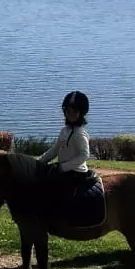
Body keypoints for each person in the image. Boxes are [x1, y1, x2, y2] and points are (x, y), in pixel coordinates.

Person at [38, 90, 94, 225]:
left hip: (76, 172)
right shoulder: (65, 131)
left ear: (81, 113)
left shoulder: (80, 134)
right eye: (68, 111)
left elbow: (84, 155)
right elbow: (55, 150)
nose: (71, 114)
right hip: (62, 169)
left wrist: (63, 166)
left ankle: (63, 220)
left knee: (59, 190)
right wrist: (39, 162)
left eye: (74, 111)